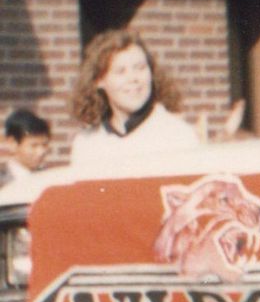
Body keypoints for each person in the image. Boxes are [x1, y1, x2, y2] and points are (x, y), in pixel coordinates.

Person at [68, 31, 202, 161]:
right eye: (120, 71)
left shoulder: (178, 136)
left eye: (140, 68)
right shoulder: (87, 145)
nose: (133, 78)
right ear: (99, 80)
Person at [3, 108, 51, 190]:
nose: (41, 152)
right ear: (12, 143)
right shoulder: (3, 183)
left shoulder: (50, 180)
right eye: (34, 145)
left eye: (44, 145)